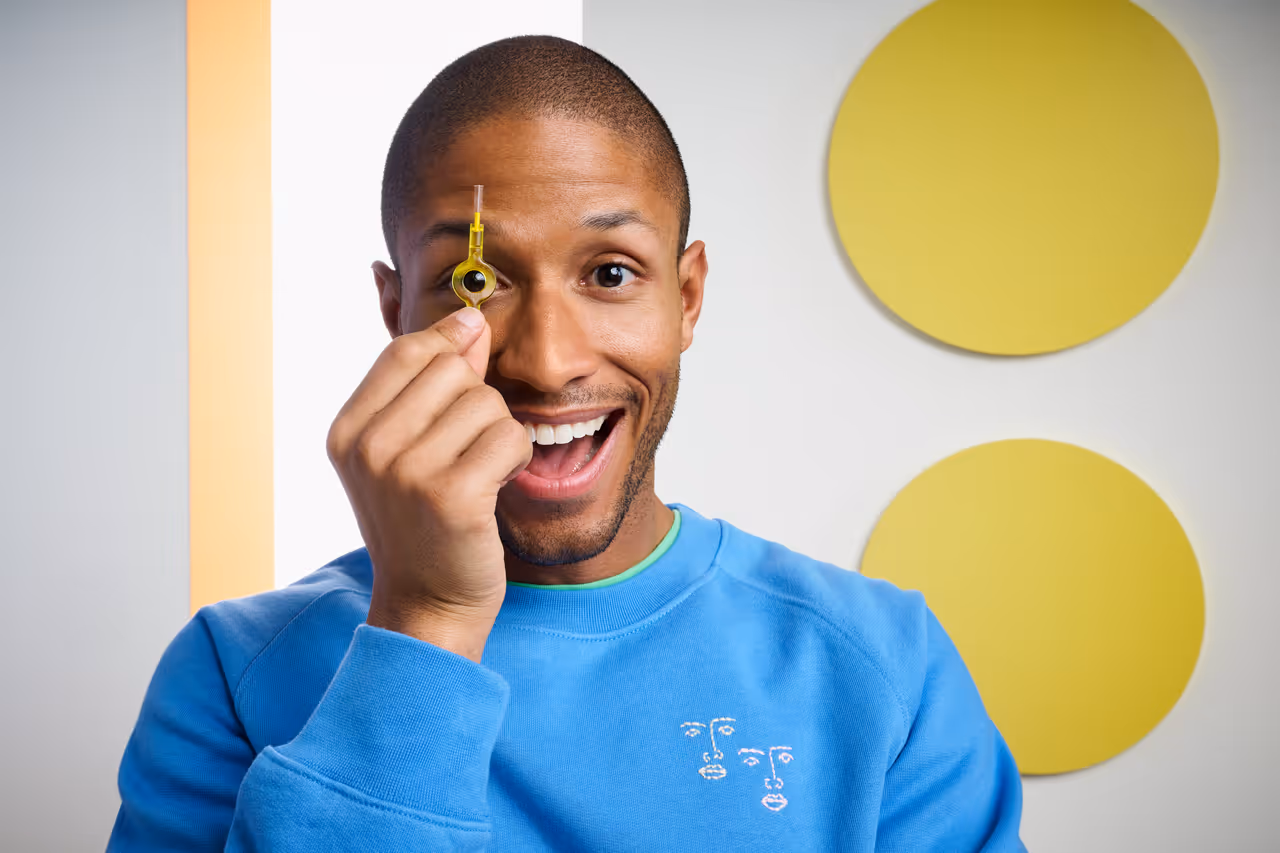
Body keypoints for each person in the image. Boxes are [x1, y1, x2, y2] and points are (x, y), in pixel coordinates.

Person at [108, 35, 1025, 852]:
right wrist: (425, 622)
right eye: (477, 280)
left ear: (688, 296)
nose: (547, 362)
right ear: (397, 313)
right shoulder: (232, 672)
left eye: (611, 273)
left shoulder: (884, 664)